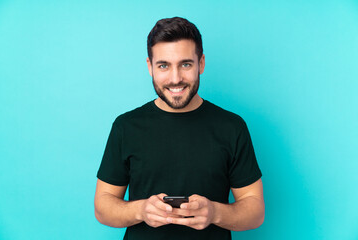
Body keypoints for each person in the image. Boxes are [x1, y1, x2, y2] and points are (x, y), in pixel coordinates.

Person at [94, 17, 265, 240]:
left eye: (185, 64)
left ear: (201, 63)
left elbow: (256, 212)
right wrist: (141, 210)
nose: (175, 79)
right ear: (150, 67)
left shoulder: (232, 127)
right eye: (163, 65)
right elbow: (102, 207)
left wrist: (215, 213)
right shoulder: (126, 127)